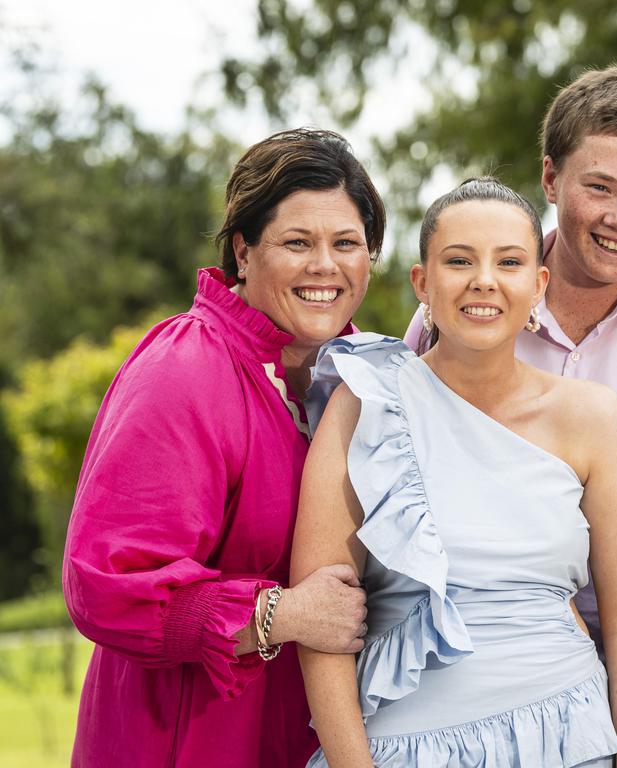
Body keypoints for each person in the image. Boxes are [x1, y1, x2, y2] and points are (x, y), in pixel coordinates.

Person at [403, 66, 617, 765]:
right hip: (444, 697)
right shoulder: (465, 308)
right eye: (598, 187)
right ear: (550, 179)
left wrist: (613, 745)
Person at [293, 177, 617, 767]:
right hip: (402, 751)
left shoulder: (596, 418)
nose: (484, 280)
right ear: (423, 283)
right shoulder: (365, 401)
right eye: (459, 260)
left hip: (566, 737)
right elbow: (324, 624)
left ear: (537, 286)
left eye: (509, 262)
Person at [63, 128, 384, 768]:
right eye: (297, 242)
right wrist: (282, 614)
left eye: (347, 243)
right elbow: (107, 584)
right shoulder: (186, 370)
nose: (326, 265)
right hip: (183, 742)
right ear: (243, 251)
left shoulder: (369, 381)